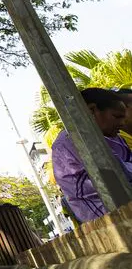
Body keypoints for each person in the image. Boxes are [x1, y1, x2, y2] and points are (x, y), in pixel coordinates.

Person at [51, 87, 132, 223]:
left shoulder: (114, 137)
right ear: (92, 110)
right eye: (117, 116)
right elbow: (120, 174)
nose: (122, 122)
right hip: (106, 218)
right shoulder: (73, 140)